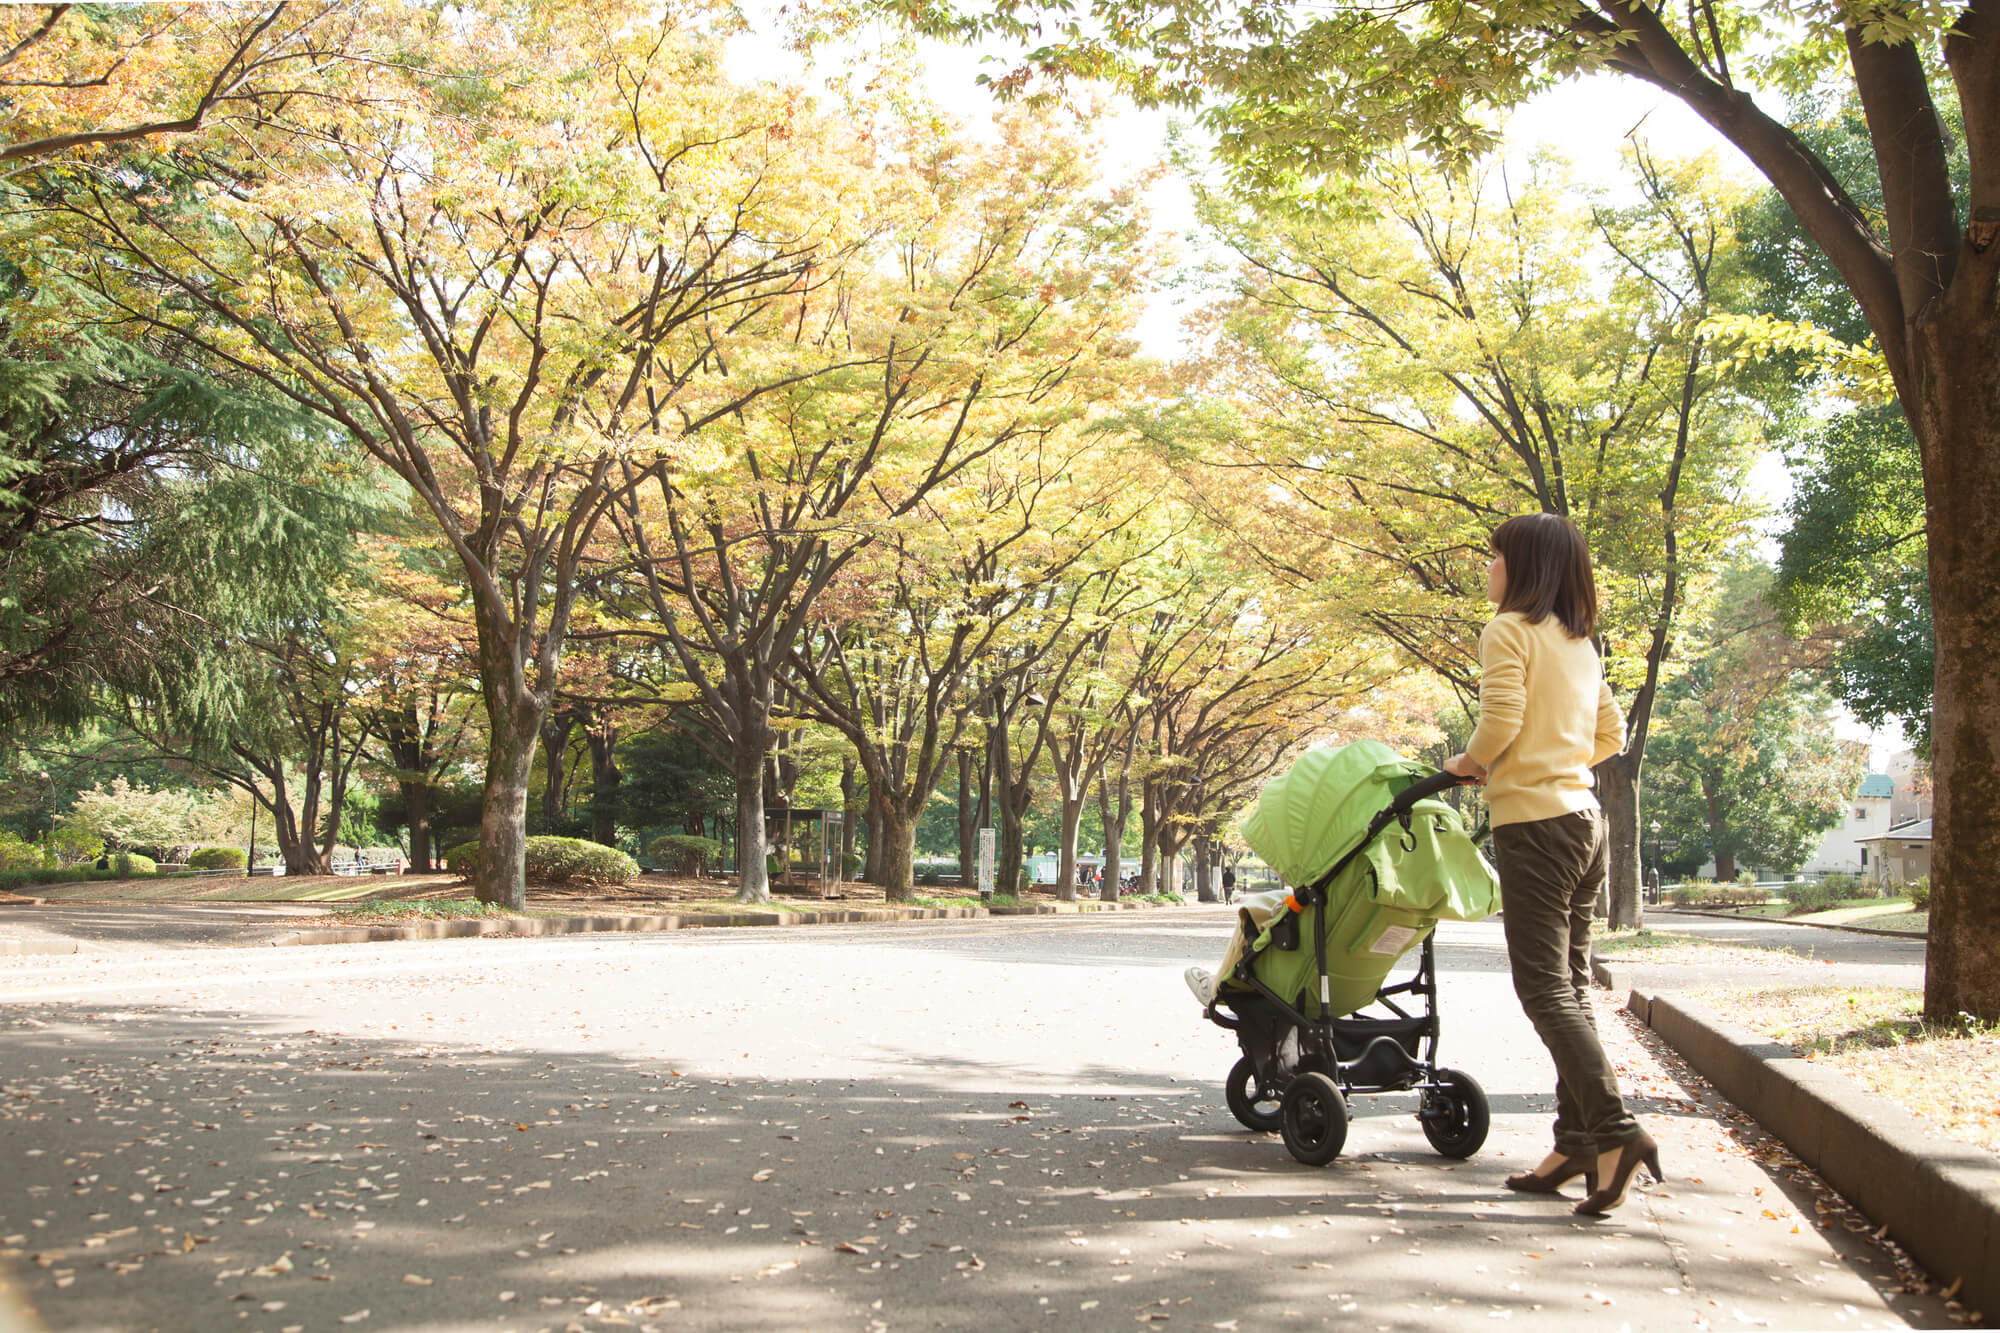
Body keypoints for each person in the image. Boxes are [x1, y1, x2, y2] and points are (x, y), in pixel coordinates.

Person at [1443, 512, 1660, 1218]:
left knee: (1544, 989)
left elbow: (1501, 721)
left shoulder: (1507, 630)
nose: (1488, 568)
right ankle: (1576, 1142)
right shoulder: (1579, 643)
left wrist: (1471, 764)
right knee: (1568, 982)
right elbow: (1611, 734)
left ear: (1524, 567)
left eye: (1495, 556)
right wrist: (1558, 762)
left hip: (1535, 826)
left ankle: (1615, 1132)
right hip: (1585, 821)